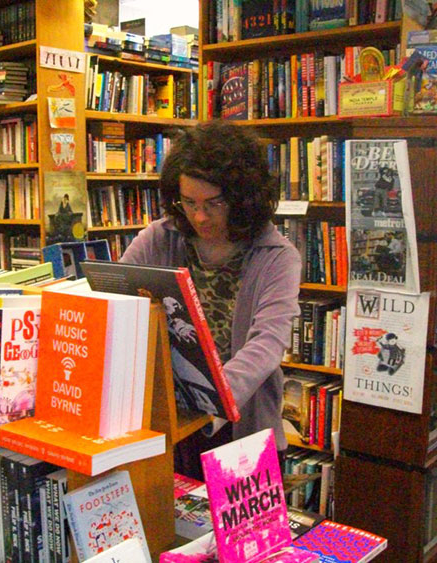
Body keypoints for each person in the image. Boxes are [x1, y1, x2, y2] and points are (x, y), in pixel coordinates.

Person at [120, 120, 301, 478]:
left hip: (243, 427)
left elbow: (267, 344)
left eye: (214, 203)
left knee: (246, 535)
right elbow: (112, 295)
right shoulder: (160, 238)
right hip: (168, 421)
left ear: (242, 198)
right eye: (189, 202)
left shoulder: (278, 257)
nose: (200, 216)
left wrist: (212, 402)